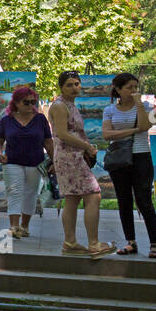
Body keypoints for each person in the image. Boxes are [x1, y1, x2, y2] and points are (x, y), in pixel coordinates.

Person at [49, 71, 115, 258]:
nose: (74, 87)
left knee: (72, 198)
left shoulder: (70, 105)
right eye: (69, 84)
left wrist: (85, 148)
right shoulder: (60, 106)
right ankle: (94, 244)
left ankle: (70, 242)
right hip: (69, 157)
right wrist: (87, 146)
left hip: (72, 156)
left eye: (77, 84)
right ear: (61, 87)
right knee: (93, 195)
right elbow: (62, 134)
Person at [102, 72, 156, 258]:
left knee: (144, 200)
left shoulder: (147, 107)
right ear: (118, 90)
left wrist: (139, 105)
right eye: (129, 87)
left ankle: (155, 243)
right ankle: (131, 242)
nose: (133, 91)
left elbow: (145, 126)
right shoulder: (110, 110)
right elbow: (107, 134)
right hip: (120, 159)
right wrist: (133, 130)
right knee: (124, 201)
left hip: (141, 156)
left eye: (135, 87)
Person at [0, 85, 54, 238]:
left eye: (34, 102)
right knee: (14, 191)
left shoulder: (40, 119)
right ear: (16, 103)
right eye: (27, 102)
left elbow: (48, 142)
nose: (31, 106)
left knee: (31, 193)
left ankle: (25, 226)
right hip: (12, 161)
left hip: (35, 162)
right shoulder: (7, 121)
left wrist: (55, 161)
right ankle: (14, 227)